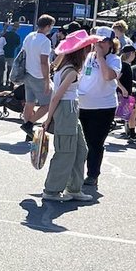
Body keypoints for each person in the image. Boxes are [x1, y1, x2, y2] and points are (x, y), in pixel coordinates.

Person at [32, 29, 99, 203]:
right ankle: (52, 190)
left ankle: (74, 188)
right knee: (66, 152)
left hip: (69, 109)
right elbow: (56, 96)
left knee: (79, 149)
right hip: (66, 110)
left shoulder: (65, 66)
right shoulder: (71, 71)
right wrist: (47, 120)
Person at [77, 27, 121, 189]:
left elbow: (108, 76)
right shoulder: (88, 56)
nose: (99, 44)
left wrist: (101, 58)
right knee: (81, 141)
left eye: (104, 41)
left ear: (111, 43)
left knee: (95, 142)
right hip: (83, 104)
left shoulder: (114, 60)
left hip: (103, 107)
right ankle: (77, 173)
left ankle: (93, 174)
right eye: (97, 41)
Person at [20, 14, 56, 141]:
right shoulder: (45, 41)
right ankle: (28, 124)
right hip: (39, 75)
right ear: (47, 26)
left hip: (27, 73)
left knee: (29, 103)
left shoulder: (30, 36)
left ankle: (28, 130)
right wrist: (47, 80)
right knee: (48, 103)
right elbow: (43, 62)